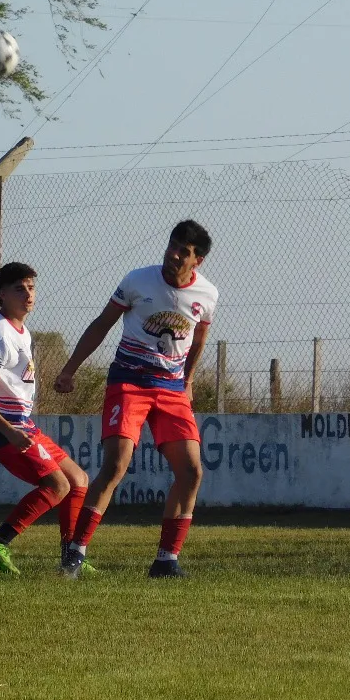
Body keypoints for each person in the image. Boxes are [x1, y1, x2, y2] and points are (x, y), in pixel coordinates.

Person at [55, 220, 218, 578]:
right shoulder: (138, 280)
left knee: (192, 472)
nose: (172, 254)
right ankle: (75, 554)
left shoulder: (207, 295)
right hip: (129, 382)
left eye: (183, 251)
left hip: (172, 390)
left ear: (198, 261)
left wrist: (187, 381)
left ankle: (166, 560)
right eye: (172, 245)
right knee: (116, 465)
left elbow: (198, 339)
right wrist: (70, 369)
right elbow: (102, 324)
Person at [0, 262, 90, 575]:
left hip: (22, 426)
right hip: (1, 432)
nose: (28, 294)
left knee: (78, 481)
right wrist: (9, 431)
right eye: (19, 288)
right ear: (2, 295)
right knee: (57, 484)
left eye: (31, 287)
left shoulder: (21, 331)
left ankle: (70, 559)